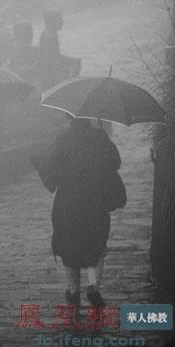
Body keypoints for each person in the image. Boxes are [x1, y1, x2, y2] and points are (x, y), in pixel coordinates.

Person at [31, 117, 123, 308]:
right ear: (88, 118)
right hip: (96, 200)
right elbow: (115, 163)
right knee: (96, 242)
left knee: (68, 242)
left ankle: (73, 290)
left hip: (68, 202)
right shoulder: (100, 136)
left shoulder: (63, 139)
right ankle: (93, 287)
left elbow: (50, 171)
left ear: (69, 118)